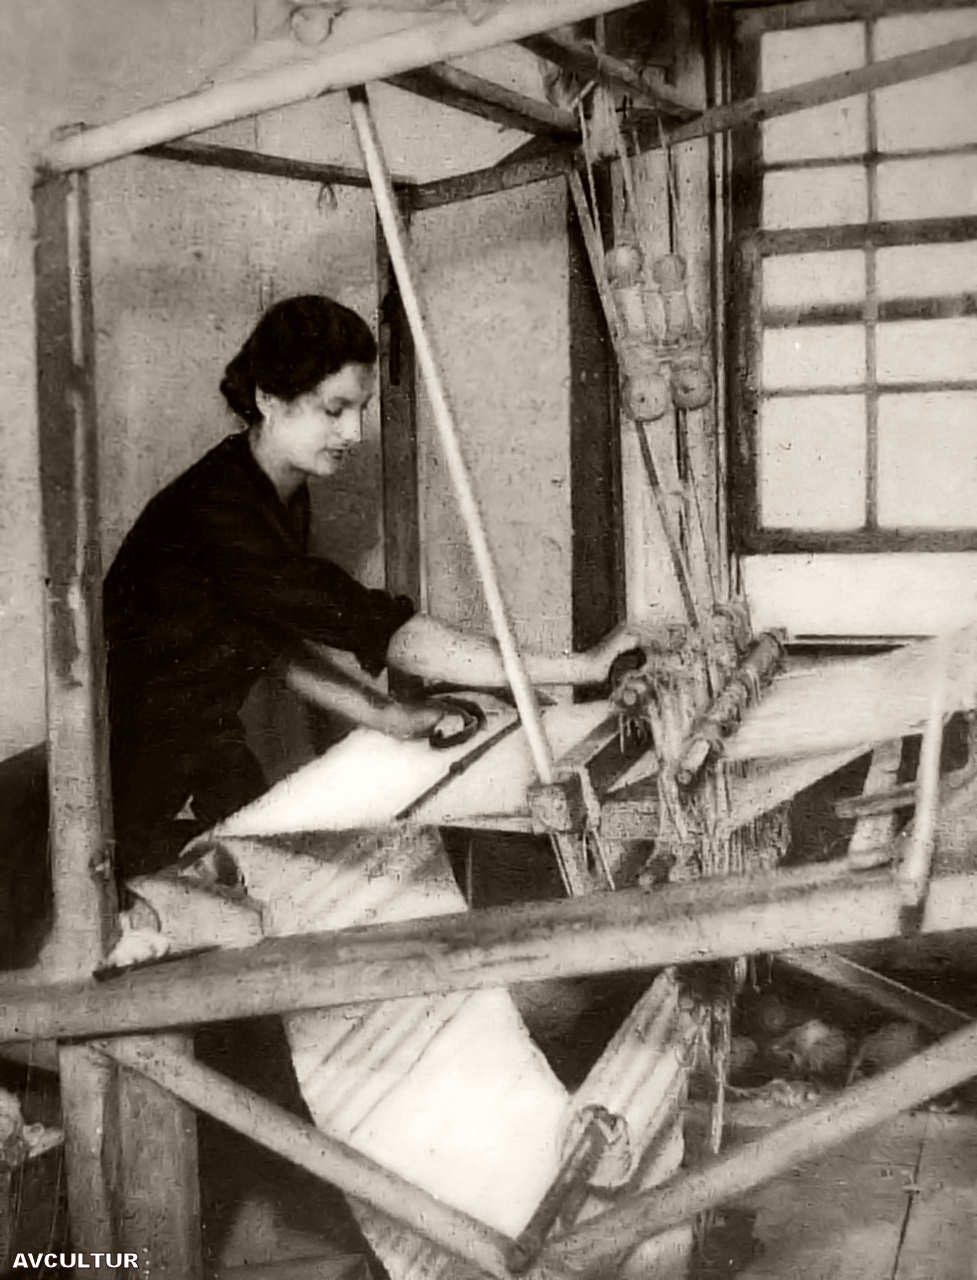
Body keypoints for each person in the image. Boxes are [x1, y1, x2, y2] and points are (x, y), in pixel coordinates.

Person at [104, 293, 633, 878]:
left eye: (361, 409)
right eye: (335, 410)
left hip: (204, 745)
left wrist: (385, 716)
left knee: (292, 870)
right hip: (134, 774)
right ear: (268, 399)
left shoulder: (271, 489)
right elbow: (398, 637)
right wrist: (583, 666)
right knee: (270, 884)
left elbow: (266, 641)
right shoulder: (220, 512)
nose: (354, 432)